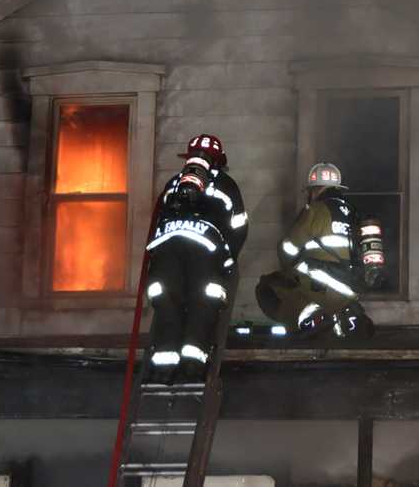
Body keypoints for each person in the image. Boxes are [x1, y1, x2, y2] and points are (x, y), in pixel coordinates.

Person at [144, 134, 248, 384]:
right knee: (203, 305)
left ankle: (162, 370)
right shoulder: (226, 184)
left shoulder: (173, 183)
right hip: (206, 252)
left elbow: (159, 220)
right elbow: (239, 227)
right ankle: (192, 368)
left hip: (167, 249)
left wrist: (155, 258)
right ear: (218, 161)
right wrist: (228, 259)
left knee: (167, 305)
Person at [256, 162, 375, 339]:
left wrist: (289, 271)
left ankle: (311, 318)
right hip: (351, 288)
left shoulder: (316, 210)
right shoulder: (353, 213)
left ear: (315, 190)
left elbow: (288, 249)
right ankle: (344, 317)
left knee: (267, 286)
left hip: (320, 288)